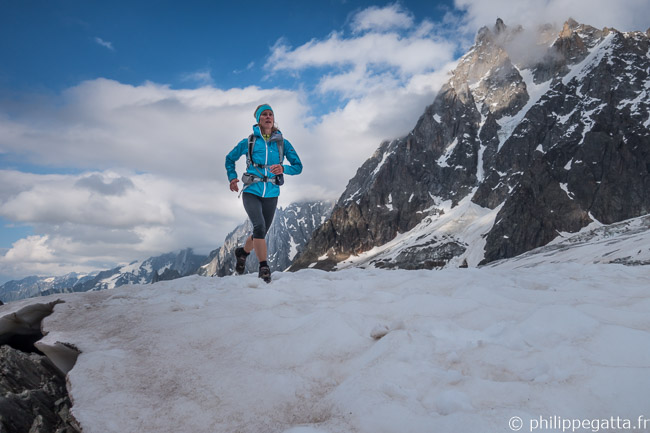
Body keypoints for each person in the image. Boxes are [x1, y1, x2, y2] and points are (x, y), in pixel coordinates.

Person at [225, 104, 302, 283]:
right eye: (264, 115)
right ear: (258, 119)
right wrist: (232, 178)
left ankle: (242, 253)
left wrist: (284, 168)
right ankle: (264, 267)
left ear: (273, 119)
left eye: (270, 114)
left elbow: (298, 167)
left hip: (272, 194)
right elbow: (230, 158)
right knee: (259, 226)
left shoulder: (283, 143)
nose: (268, 117)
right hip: (251, 191)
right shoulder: (249, 141)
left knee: (261, 232)